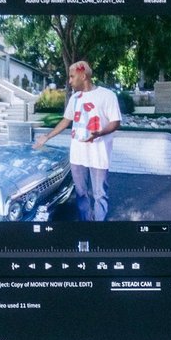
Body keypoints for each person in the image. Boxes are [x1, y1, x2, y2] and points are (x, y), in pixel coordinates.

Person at [33, 60, 122, 221]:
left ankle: (98, 226)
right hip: (78, 155)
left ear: (83, 75)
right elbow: (66, 121)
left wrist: (100, 132)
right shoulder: (75, 98)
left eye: (72, 77)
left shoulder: (107, 95)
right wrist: (47, 136)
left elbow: (116, 122)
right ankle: (85, 223)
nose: (69, 81)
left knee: (99, 194)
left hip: (98, 154)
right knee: (81, 194)